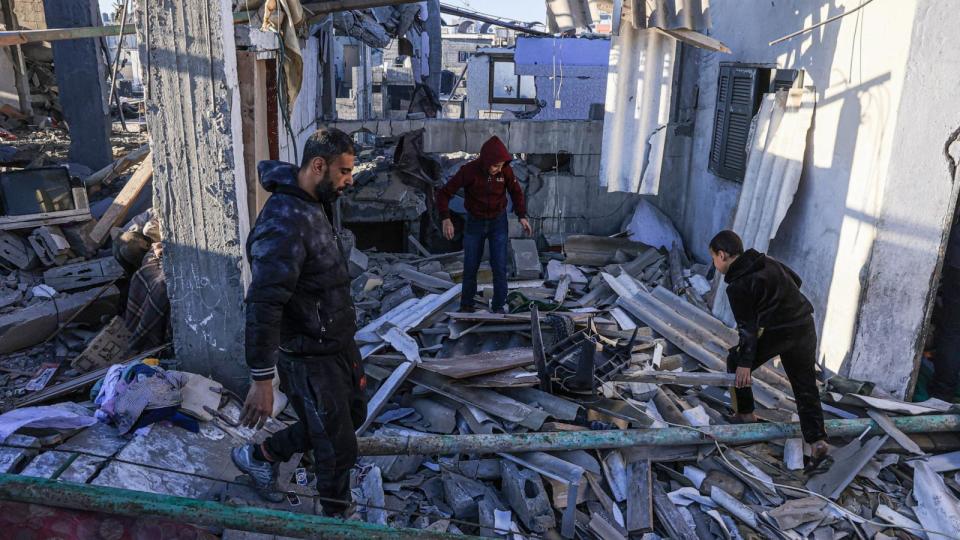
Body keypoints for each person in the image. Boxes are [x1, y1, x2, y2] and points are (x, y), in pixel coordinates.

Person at [231, 129, 368, 515]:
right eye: (344, 171)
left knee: (352, 416)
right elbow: (263, 303)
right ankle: (336, 518)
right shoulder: (283, 223)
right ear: (318, 165)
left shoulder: (314, 201)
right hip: (309, 356)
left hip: (337, 342)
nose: (349, 180)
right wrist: (262, 379)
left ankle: (261, 455)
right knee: (337, 449)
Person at [709, 230, 828, 460]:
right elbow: (797, 281)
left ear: (722, 255)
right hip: (804, 324)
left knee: (735, 362)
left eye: (714, 258)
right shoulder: (768, 261)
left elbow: (748, 329)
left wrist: (745, 363)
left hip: (779, 331)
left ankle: (745, 415)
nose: (714, 263)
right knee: (805, 385)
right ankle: (817, 441)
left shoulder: (737, 285)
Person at [436, 136, 531, 313]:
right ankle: (466, 305)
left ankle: (499, 306)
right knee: (471, 265)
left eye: (501, 165)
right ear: (486, 161)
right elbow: (444, 193)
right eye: (495, 166)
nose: (498, 169)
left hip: (498, 223)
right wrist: (445, 218)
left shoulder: (506, 172)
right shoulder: (469, 171)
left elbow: (516, 192)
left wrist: (522, 216)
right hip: (475, 223)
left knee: (499, 266)